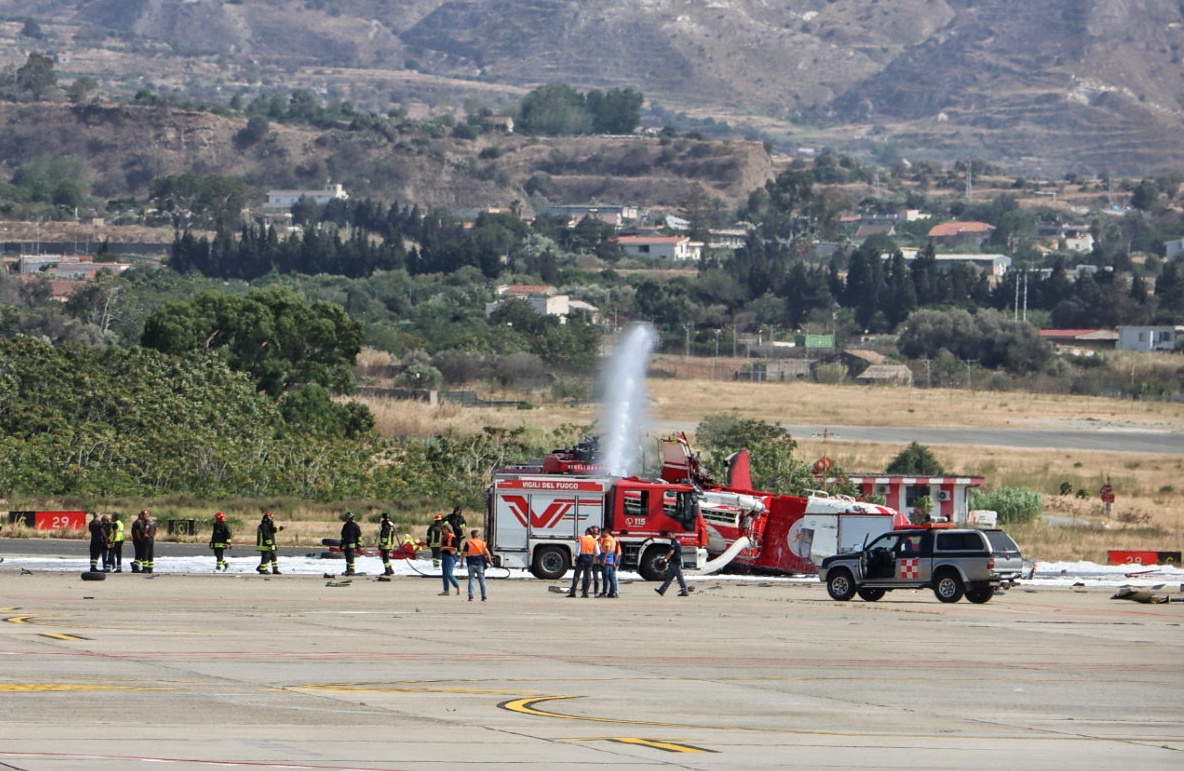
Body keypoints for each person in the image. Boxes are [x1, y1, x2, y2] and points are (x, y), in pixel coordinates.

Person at [567, 527, 599, 598]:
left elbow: (578, 551)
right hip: (590, 559)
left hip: (582, 558)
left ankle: (573, 592)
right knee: (587, 576)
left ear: (587, 532)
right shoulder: (594, 541)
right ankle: (585, 593)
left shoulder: (582, 539)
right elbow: (597, 553)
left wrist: (576, 558)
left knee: (576, 575)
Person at [655, 530, 688, 597]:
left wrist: (663, 559)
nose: (668, 536)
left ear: (673, 535)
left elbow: (671, 552)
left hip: (676, 563)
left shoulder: (674, 542)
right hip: (673, 562)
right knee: (669, 578)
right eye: (668, 535)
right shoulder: (676, 541)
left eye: (669, 535)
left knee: (680, 578)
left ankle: (685, 591)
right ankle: (661, 590)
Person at [464, 528, 492, 602]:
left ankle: (471, 596)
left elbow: (464, 553)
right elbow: (487, 553)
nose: (480, 535)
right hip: (480, 563)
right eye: (479, 534)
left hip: (471, 563)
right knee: (482, 580)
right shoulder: (482, 543)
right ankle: (484, 596)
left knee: (471, 580)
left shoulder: (468, 542)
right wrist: (490, 561)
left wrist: (461, 561)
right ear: (477, 535)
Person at [598, 527, 622, 598]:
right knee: (611, 577)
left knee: (606, 577)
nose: (601, 534)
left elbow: (607, 549)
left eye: (602, 532)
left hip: (607, 561)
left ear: (605, 532)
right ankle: (613, 592)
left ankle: (605, 592)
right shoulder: (612, 539)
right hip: (611, 561)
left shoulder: (607, 539)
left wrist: (603, 559)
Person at [438, 523, 460, 596]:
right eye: (442, 529)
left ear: (448, 529)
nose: (443, 531)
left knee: (449, 573)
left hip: (450, 557)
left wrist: (445, 548)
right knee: (444, 574)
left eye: (444, 529)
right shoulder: (443, 537)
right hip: (444, 556)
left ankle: (457, 586)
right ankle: (446, 590)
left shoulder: (452, 537)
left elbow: (455, 548)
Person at [340, 512, 362, 576]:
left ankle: (352, 570)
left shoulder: (355, 526)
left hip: (352, 545)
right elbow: (343, 535)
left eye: (347, 518)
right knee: (347, 558)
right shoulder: (345, 525)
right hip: (345, 544)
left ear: (351, 518)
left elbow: (359, 535)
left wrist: (359, 544)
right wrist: (342, 543)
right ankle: (348, 569)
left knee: (351, 558)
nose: (346, 519)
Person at [134, 510, 157, 574]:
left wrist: (145, 534)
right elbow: (156, 530)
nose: (142, 516)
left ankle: (145, 569)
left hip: (146, 539)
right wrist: (153, 536)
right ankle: (150, 569)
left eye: (143, 515)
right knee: (150, 554)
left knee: (145, 554)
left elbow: (146, 528)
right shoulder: (153, 522)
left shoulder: (146, 522)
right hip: (151, 539)